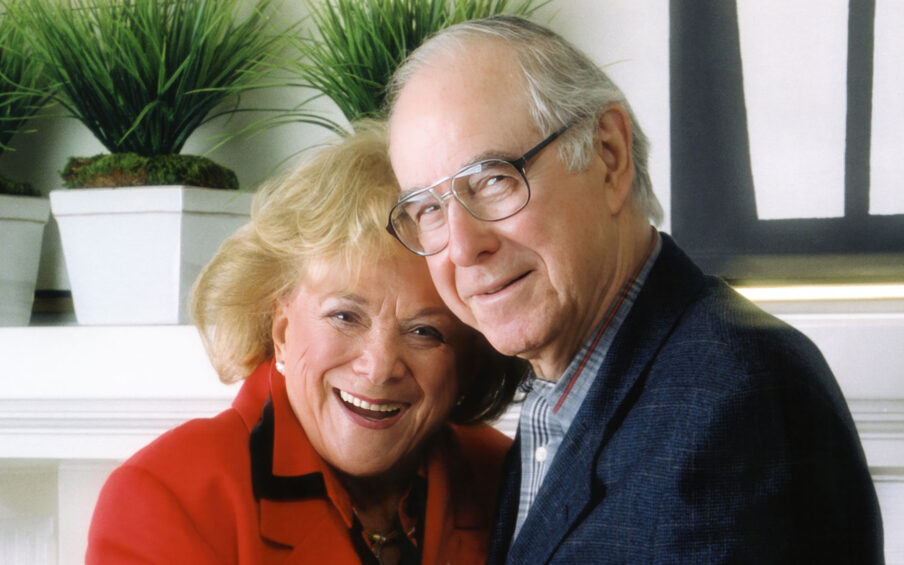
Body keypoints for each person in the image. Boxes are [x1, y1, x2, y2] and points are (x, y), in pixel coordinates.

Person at [384, 16, 884, 564]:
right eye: (429, 209)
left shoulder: (736, 397)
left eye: (493, 178)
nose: (461, 247)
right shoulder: (560, 391)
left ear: (609, 156)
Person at [86, 122, 525, 565]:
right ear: (281, 329)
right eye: (344, 317)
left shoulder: (509, 477)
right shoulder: (169, 497)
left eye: (425, 332)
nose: (378, 367)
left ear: (469, 358)